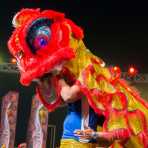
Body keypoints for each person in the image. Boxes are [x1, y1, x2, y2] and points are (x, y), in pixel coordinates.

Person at [59, 79, 101, 148]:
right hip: (75, 139)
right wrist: (60, 79)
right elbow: (67, 97)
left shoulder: (95, 81)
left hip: (90, 138)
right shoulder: (83, 79)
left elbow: (67, 97)